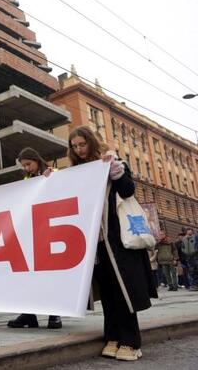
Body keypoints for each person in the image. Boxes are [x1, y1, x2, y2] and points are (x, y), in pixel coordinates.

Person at [68, 126, 156, 361]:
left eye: (82, 144)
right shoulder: (77, 173)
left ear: (91, 142)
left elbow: (128, 191)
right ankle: (113, 337)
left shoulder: (112, 162)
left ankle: (131, 342)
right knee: (107, 292)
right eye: (75, 147)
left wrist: (115, 170)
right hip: (96, 242)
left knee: (122, 291)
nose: (79, 150)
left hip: (119, 241)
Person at [7, 148, 61, 329]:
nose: (26, 168)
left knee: (51, 274)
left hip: (51, 230)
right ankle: (29, 314)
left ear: (37, 160)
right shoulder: (27, 180)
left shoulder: (53, 172)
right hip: (32, 233)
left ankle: (55, 313)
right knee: (28, 275)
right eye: (24, 166)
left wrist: (51, 178)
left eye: (28, 164)